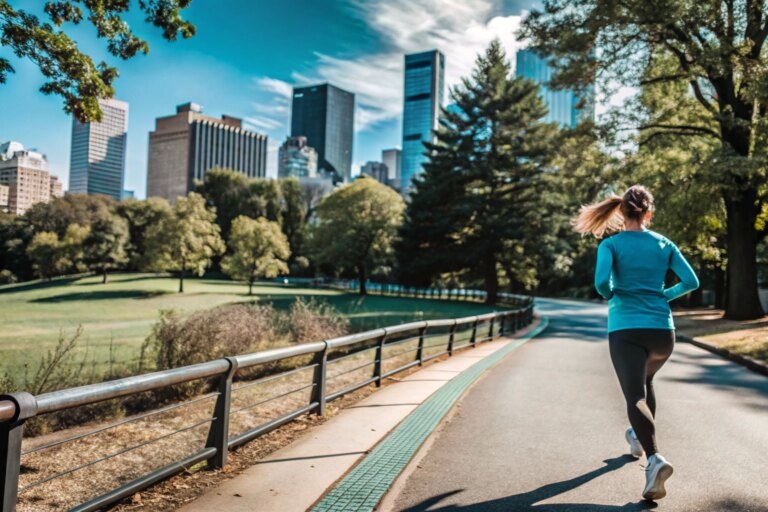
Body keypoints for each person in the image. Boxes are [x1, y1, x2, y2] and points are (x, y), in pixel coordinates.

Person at [571, 185, 699, 501]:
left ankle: (654, 459)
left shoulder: (611, 245)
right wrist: (663, 295)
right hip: (663, 332)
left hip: (626, 329)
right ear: (648, 213)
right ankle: (638, 437)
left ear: (621, 213)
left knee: (634, 396)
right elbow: (691, 281)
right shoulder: (664, 243)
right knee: (646, 381)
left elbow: (601, 283)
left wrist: (613, 294)